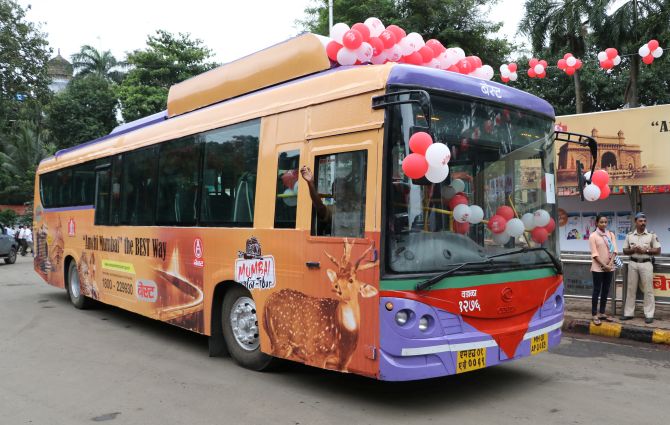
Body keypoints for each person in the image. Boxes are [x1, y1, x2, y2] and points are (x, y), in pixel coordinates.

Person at [621, 212, 661, 324]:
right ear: (635, 222)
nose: (643, 223)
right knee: (630, 289)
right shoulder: (629, 235)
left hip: (646, 263)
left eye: (644, 221)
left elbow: (658, 250)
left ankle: (649, 314)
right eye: (640, 221)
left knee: (648, 290)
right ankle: (628, 313)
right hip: (633, 263)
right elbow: (625, 250)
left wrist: (646, 250)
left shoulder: (651, 235)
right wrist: (633, 250)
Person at [588, 214, 619, 326]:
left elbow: (614, 250)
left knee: (606, 290)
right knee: (597, 290)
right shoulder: (593, 236)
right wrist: (604, 265)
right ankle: (594, 314)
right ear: (596, 223)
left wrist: (610, 264)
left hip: (609, 267)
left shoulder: (610, 234)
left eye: (605, 222)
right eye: (601, 222)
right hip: (598, 268)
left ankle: (602, 312)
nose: (604, 224)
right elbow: (594, 254)